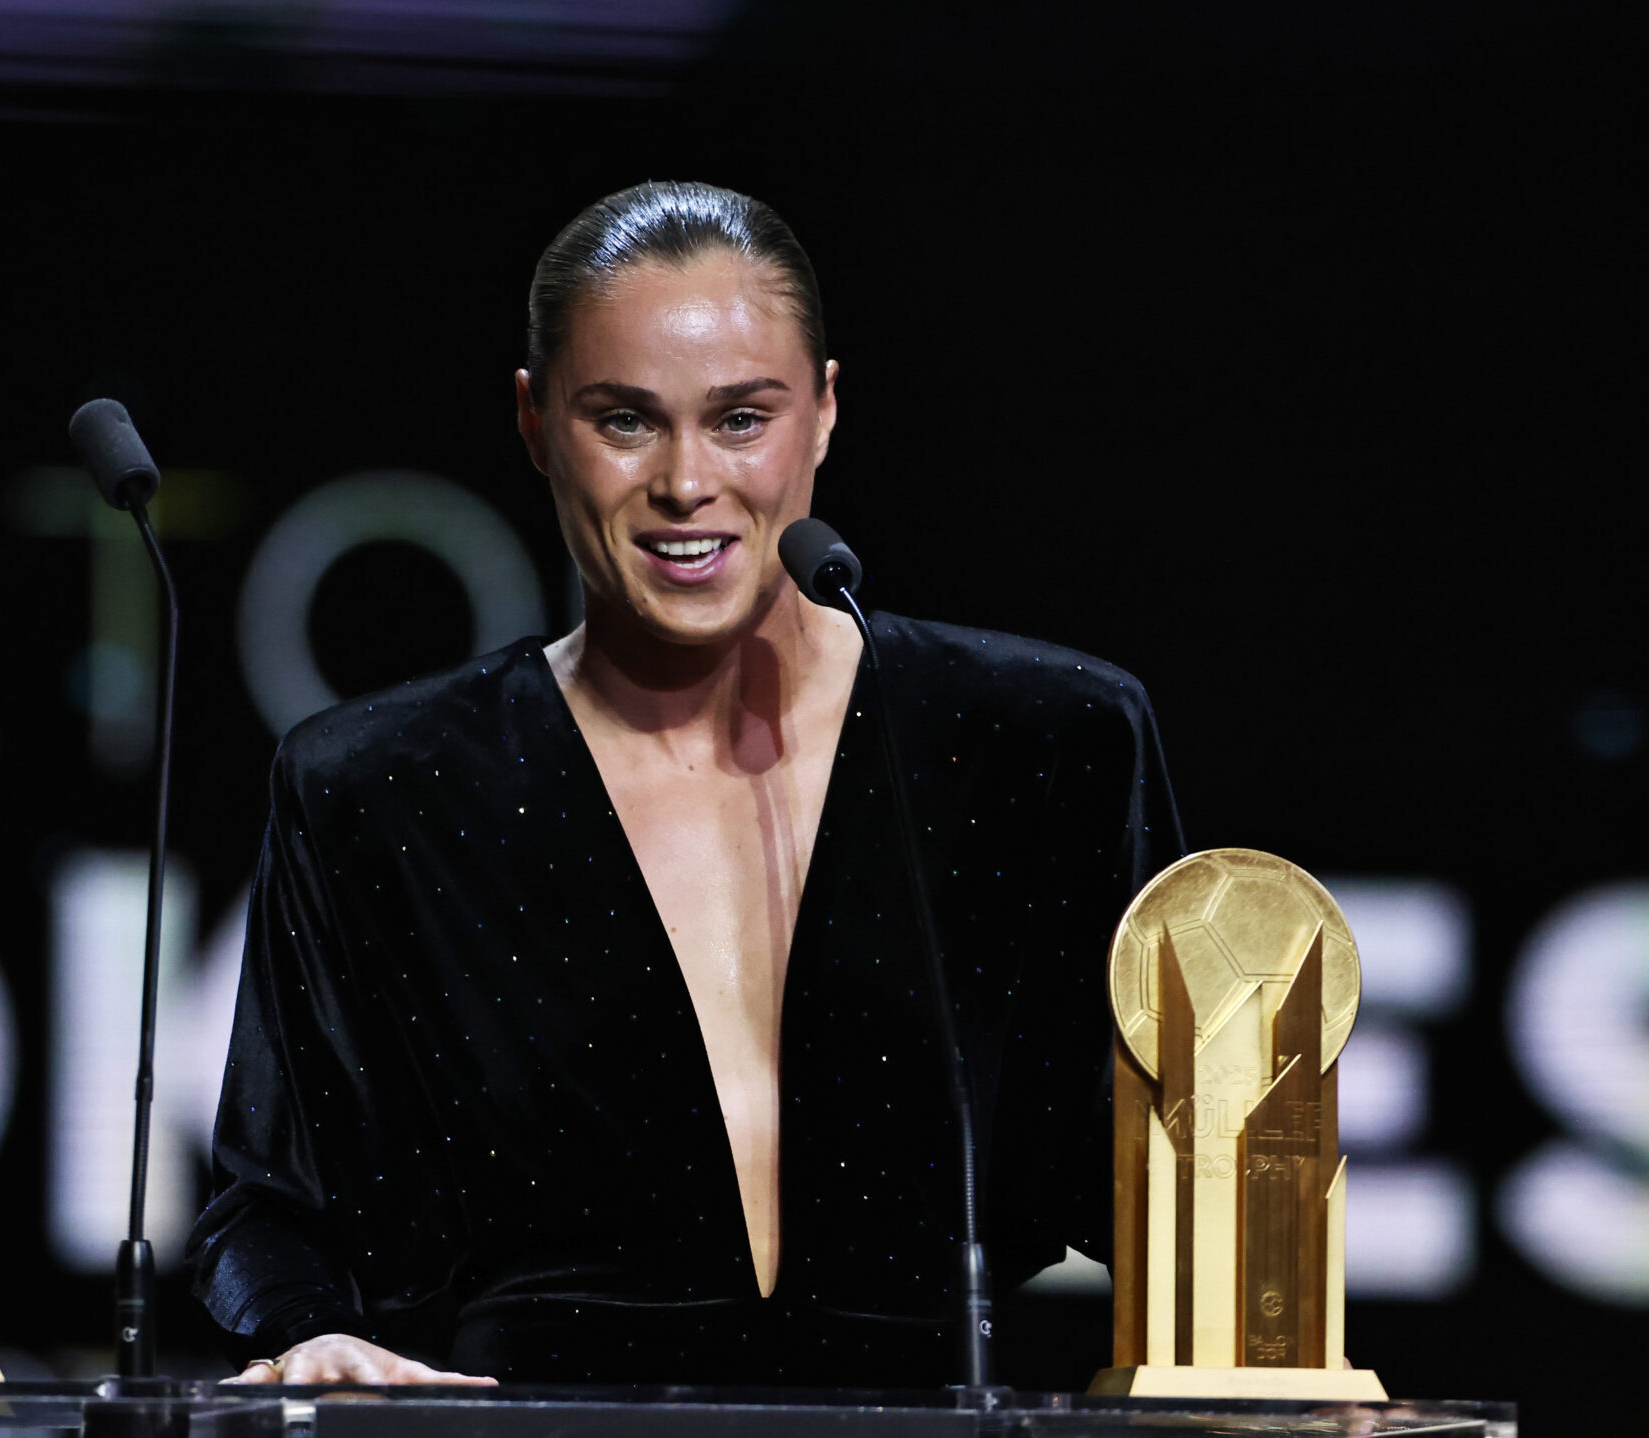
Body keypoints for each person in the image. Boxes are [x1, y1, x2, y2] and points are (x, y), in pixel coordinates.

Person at [194, 181, 1167, 1388]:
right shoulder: (382, 787)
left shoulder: (1040, 742)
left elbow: (1166, 1169)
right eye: (625, 420)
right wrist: (306, 1333)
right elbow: (271, 1203)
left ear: (823, 411)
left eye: (741, 418)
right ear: (534, 422)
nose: (686, 481)